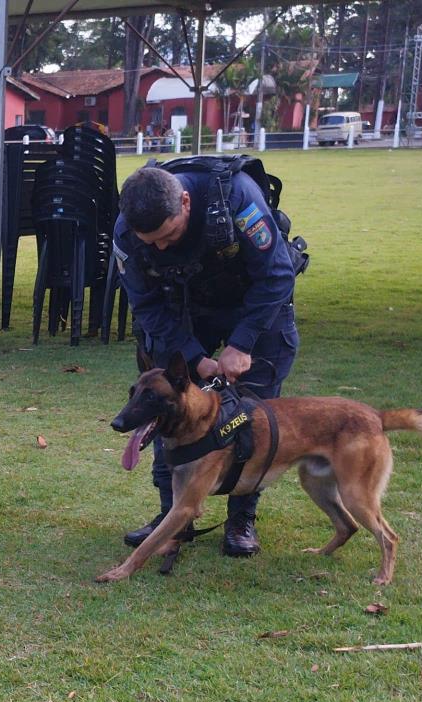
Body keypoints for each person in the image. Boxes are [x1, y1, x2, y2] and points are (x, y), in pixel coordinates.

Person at [113, 157, 307, 557]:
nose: (161, 247)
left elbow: (276, 274)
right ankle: (173, 517)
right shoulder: (127, 233)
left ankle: (241, 519)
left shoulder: (235, 197)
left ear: (185, 202)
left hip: (256, 306)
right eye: (151, 242)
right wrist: (195, 357)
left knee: (253, 412)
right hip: (186, 309)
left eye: (167, 235)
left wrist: (242, 343)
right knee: (169, 409)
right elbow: (146, 306)